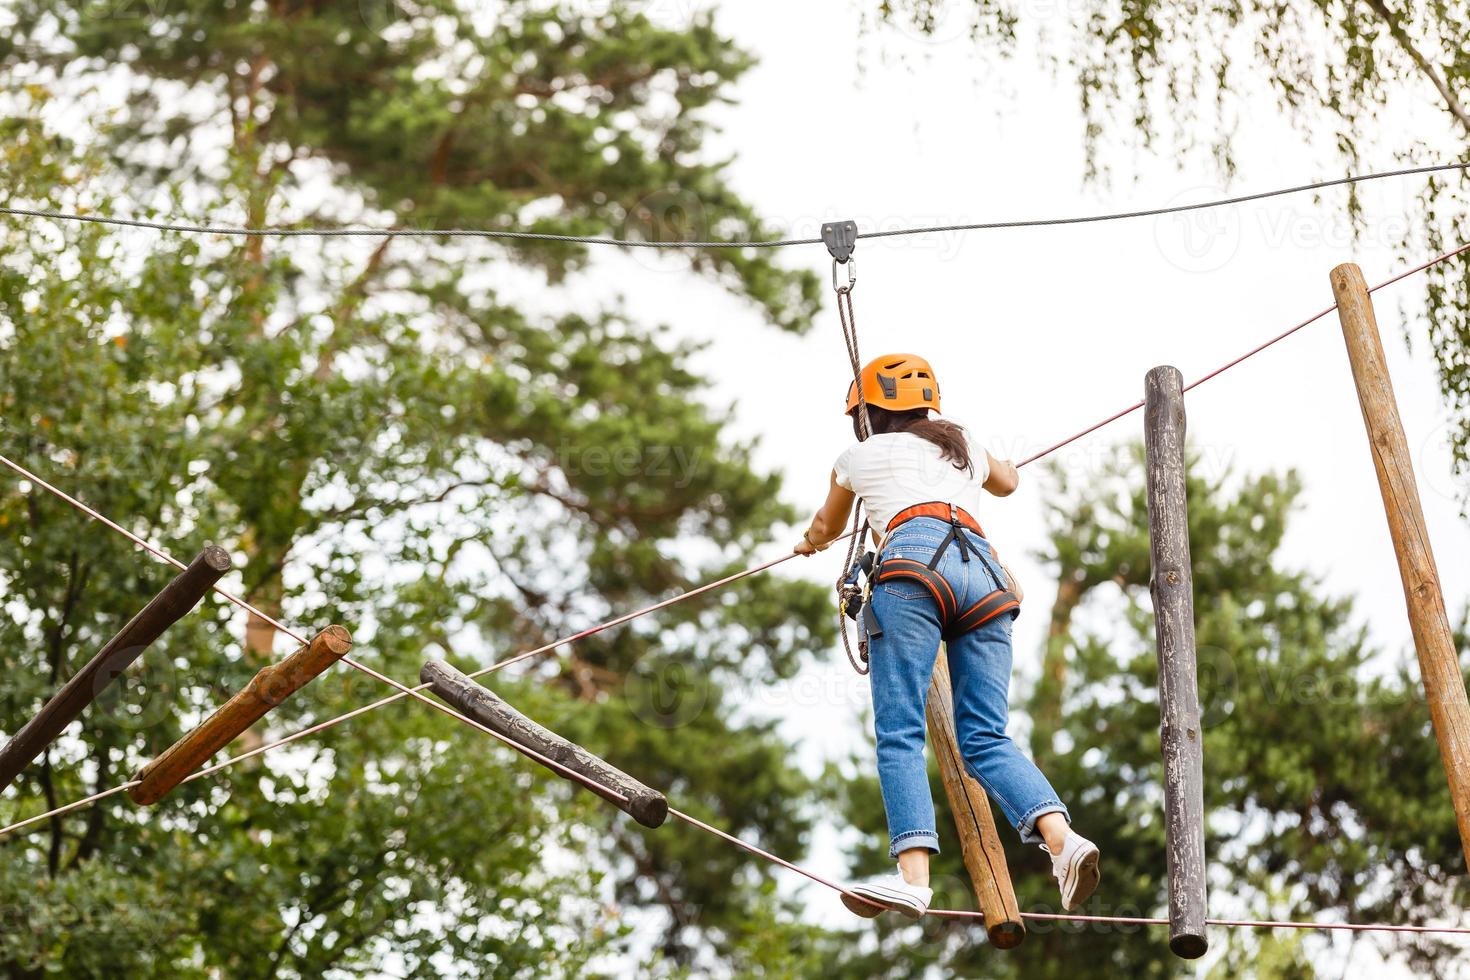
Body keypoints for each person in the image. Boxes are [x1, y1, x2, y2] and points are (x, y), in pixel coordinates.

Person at [795, 353, 1100, 920]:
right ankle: (1064, 842)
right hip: (984, 577)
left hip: (914, 569)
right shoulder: (958, 442)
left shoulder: (856, 455)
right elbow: (1008, 481)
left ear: (867, 412)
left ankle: (914, 880)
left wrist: (808, 543)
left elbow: (828, 525)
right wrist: (991, 460)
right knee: (985, 737)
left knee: (900, 730)